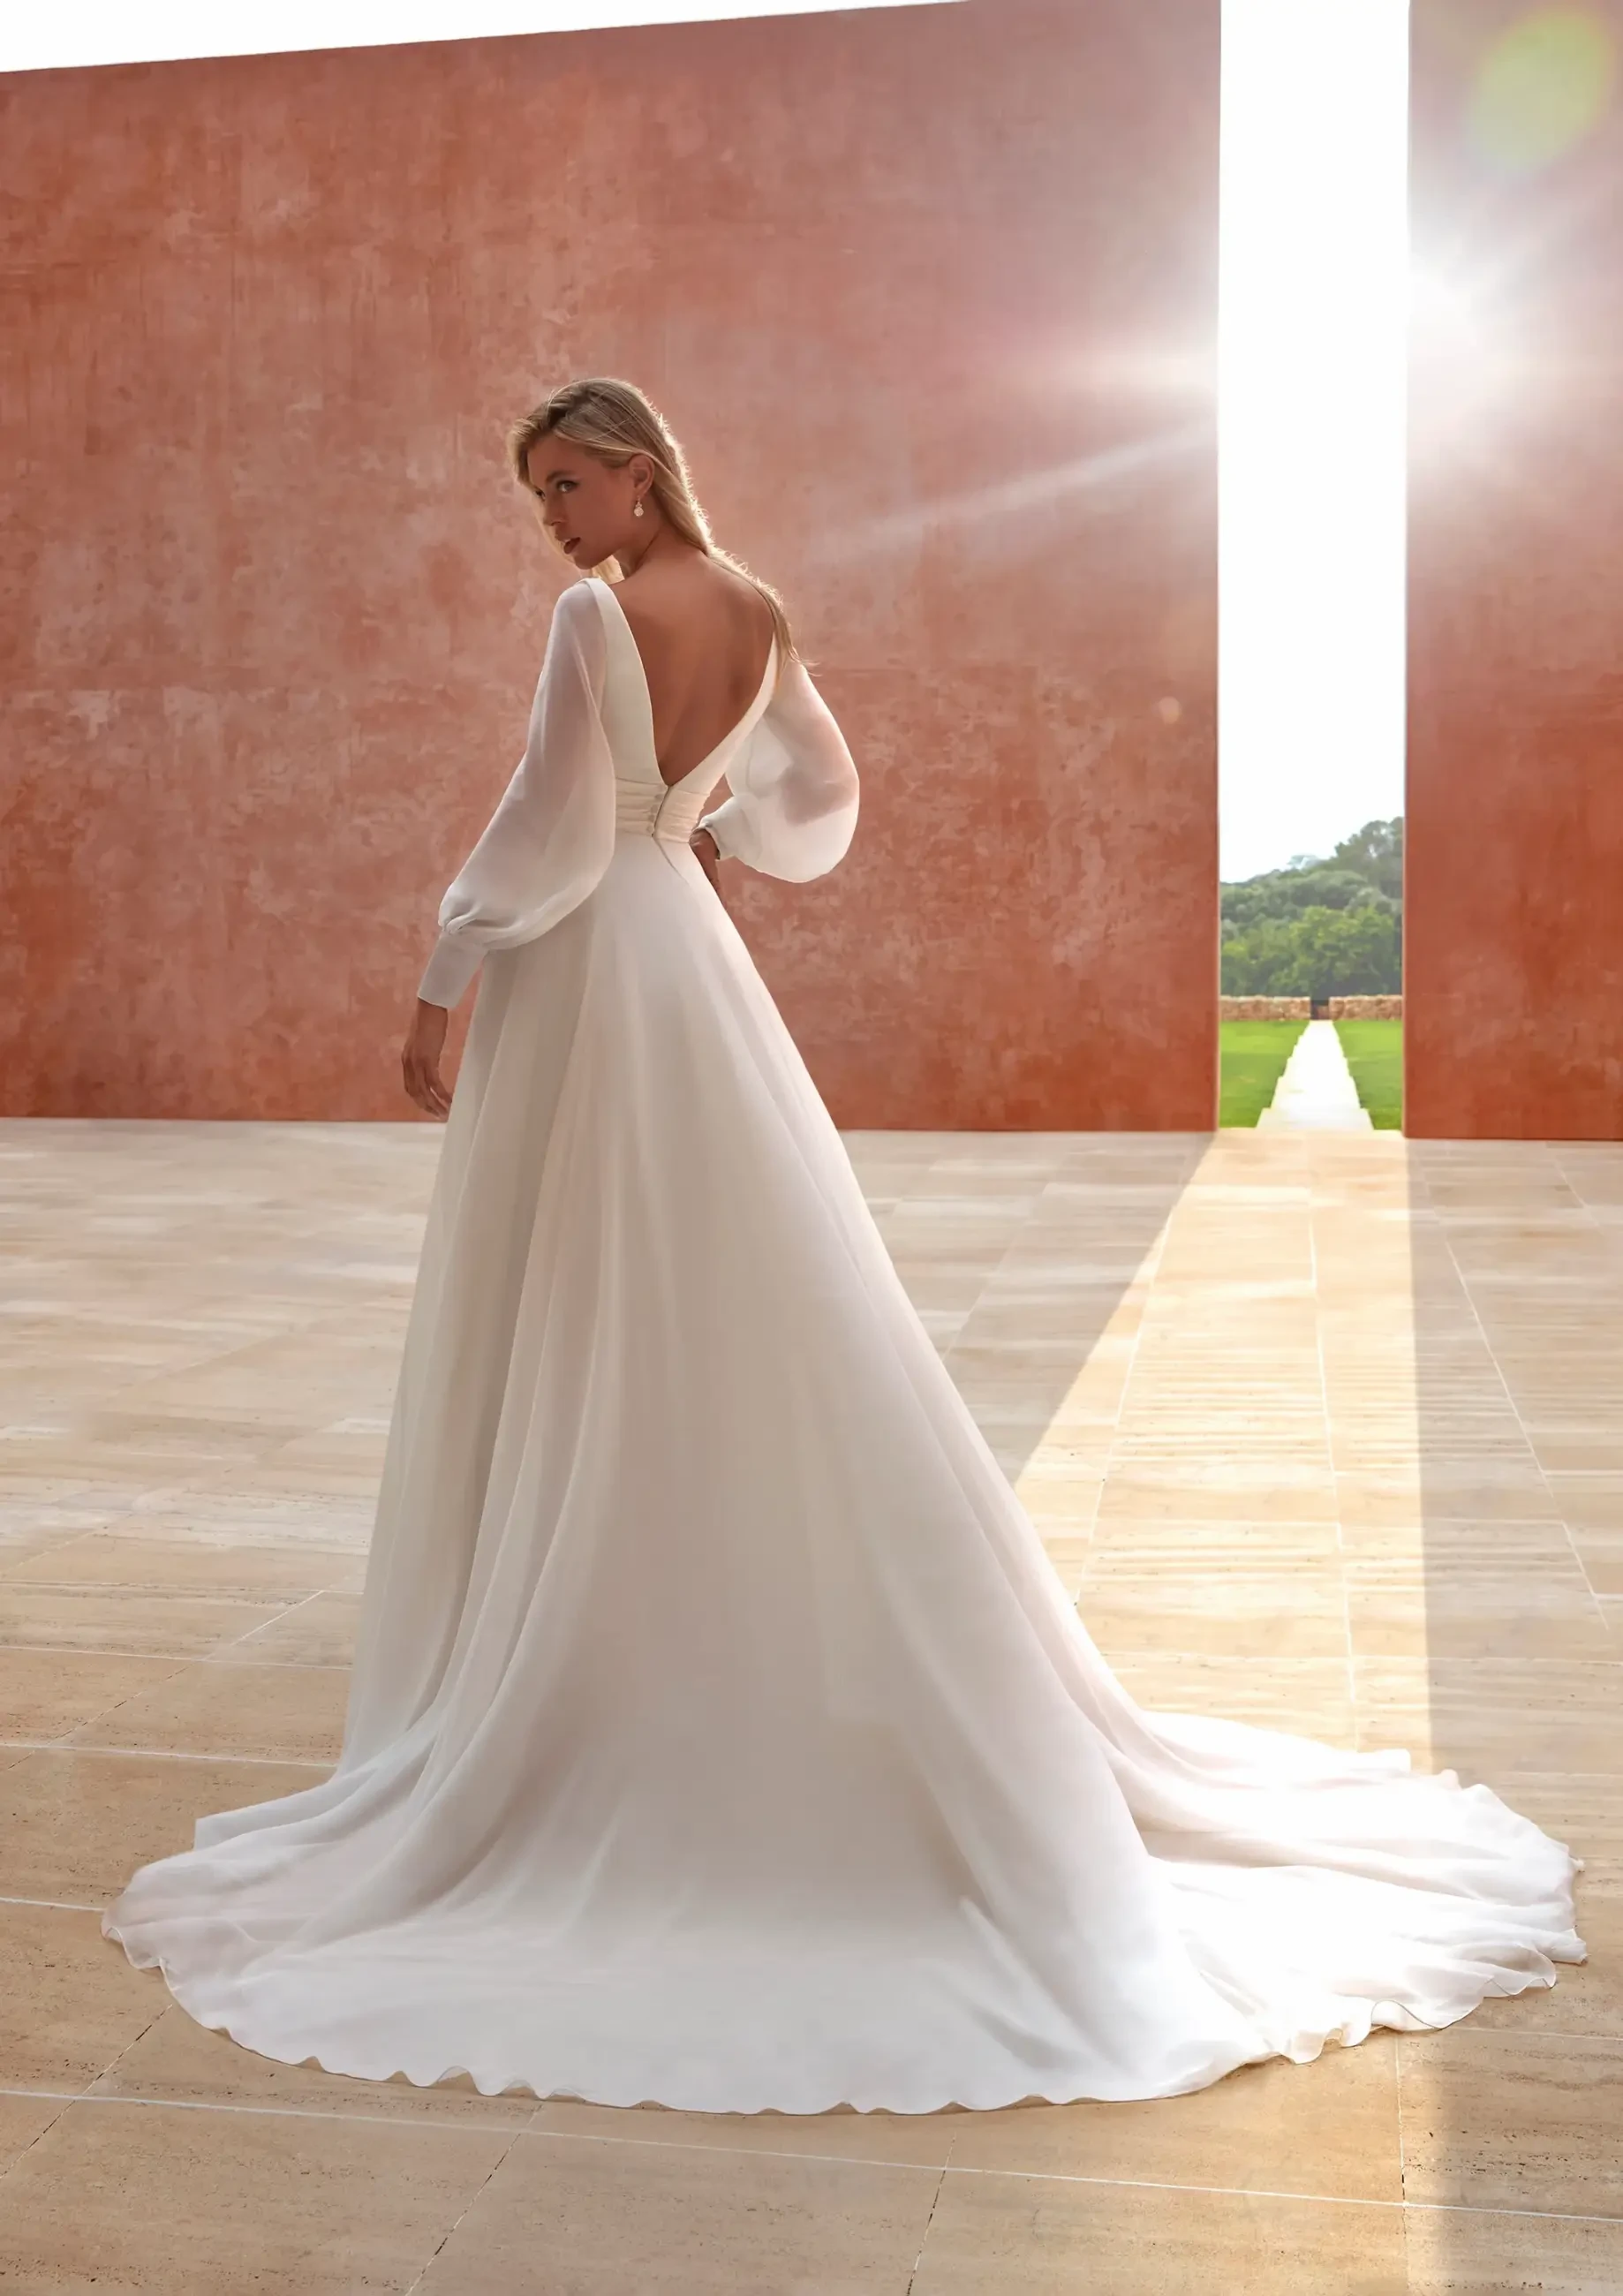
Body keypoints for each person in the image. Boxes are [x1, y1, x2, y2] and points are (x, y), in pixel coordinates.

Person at [102, 378, 1582, 2115]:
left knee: (590, 1285)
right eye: (541, 500)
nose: (555, 524)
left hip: (588, 964)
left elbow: (539, 823)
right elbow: (820, 800)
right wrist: (706, 832)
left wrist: (443, 979)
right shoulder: (759, 612)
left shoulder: (599, 614)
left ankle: (589, 1648)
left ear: (640, 474)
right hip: (690, 967)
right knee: (732, 1280)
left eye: (567, 485)